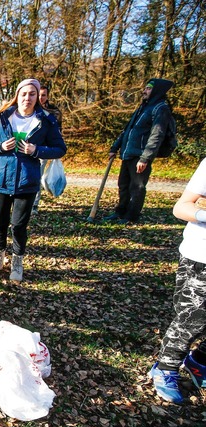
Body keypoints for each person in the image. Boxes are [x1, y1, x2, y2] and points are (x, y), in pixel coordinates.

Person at [0, 78, 66, 282]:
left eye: (32, 94)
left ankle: (17, 263)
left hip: (27, 181)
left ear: (38, 97)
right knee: (0, 223)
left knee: (18, 225)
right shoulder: (1, 117)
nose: (27, 98)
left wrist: (37, 150)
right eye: (24, 93)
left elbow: (60, 149)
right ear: (17, 95)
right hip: (0, 179)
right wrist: (0, 147)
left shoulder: (46, 120)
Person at [149, 157, 206, 404]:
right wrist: (203, 214)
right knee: (194, 317)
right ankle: (166, 367)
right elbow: (180, 207)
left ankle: (199, 361)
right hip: (201, 254)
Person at [104, 78, 174, 224]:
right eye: (146, 88)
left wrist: (145, 158)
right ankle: (120, 212)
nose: (144, 91)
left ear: (156, 91)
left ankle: (131, 217)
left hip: (140, 155)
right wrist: (114, 147)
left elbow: (157, 135)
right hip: (128, 153)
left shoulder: (161, 109)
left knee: (137, 188)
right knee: (123, 185)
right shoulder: (143, 108)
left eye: (148, 88)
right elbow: (127, 130)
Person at [32, 84, 63, 215]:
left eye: (43, 95)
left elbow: (58, 133)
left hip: (44, 150)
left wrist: (55, 150)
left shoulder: (54, 112)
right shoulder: (29, 109)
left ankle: (34, 204)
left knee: (37, 176)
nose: (41, 97)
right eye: (38, 94)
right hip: (28, 148)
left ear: (47, 96)